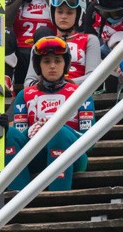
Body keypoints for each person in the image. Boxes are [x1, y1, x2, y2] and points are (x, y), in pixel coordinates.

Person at [6, 36, 94, 191]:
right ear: (38, 66)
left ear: (65, 65)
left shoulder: (81, 93)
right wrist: (32, 129)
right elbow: (20, 137)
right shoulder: (24, 95)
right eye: (46, 61)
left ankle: (58, 199)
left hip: (74, 156)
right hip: (36, 156)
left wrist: (54, 127)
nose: (52, 66)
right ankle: (18, 196)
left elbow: (89, 142)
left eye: (58, 61)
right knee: (9, 133)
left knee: (58, 133)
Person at [25, 0, 99, 87]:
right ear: (53, 13)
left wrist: (64, 84)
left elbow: (94, 77)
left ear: (78, 15)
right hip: (46, 94)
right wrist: (49, 86)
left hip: (79, 93)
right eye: (59, 12)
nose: (64, 16)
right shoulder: (42, 44)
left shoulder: (90, 40)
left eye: (69, 12)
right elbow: (29, 82)